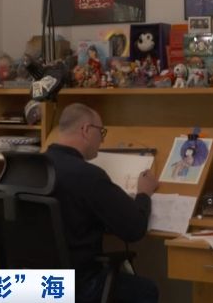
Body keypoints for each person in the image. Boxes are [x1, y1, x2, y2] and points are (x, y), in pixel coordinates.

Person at [45, 103, 160, 303]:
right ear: (86, 130)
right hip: (79, 285)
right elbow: (134, 229)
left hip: (33, 284)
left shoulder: (30, 168)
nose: (102, 139)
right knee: (146, 290)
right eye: (101, 132)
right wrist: (143, 194)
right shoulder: (87, 175)